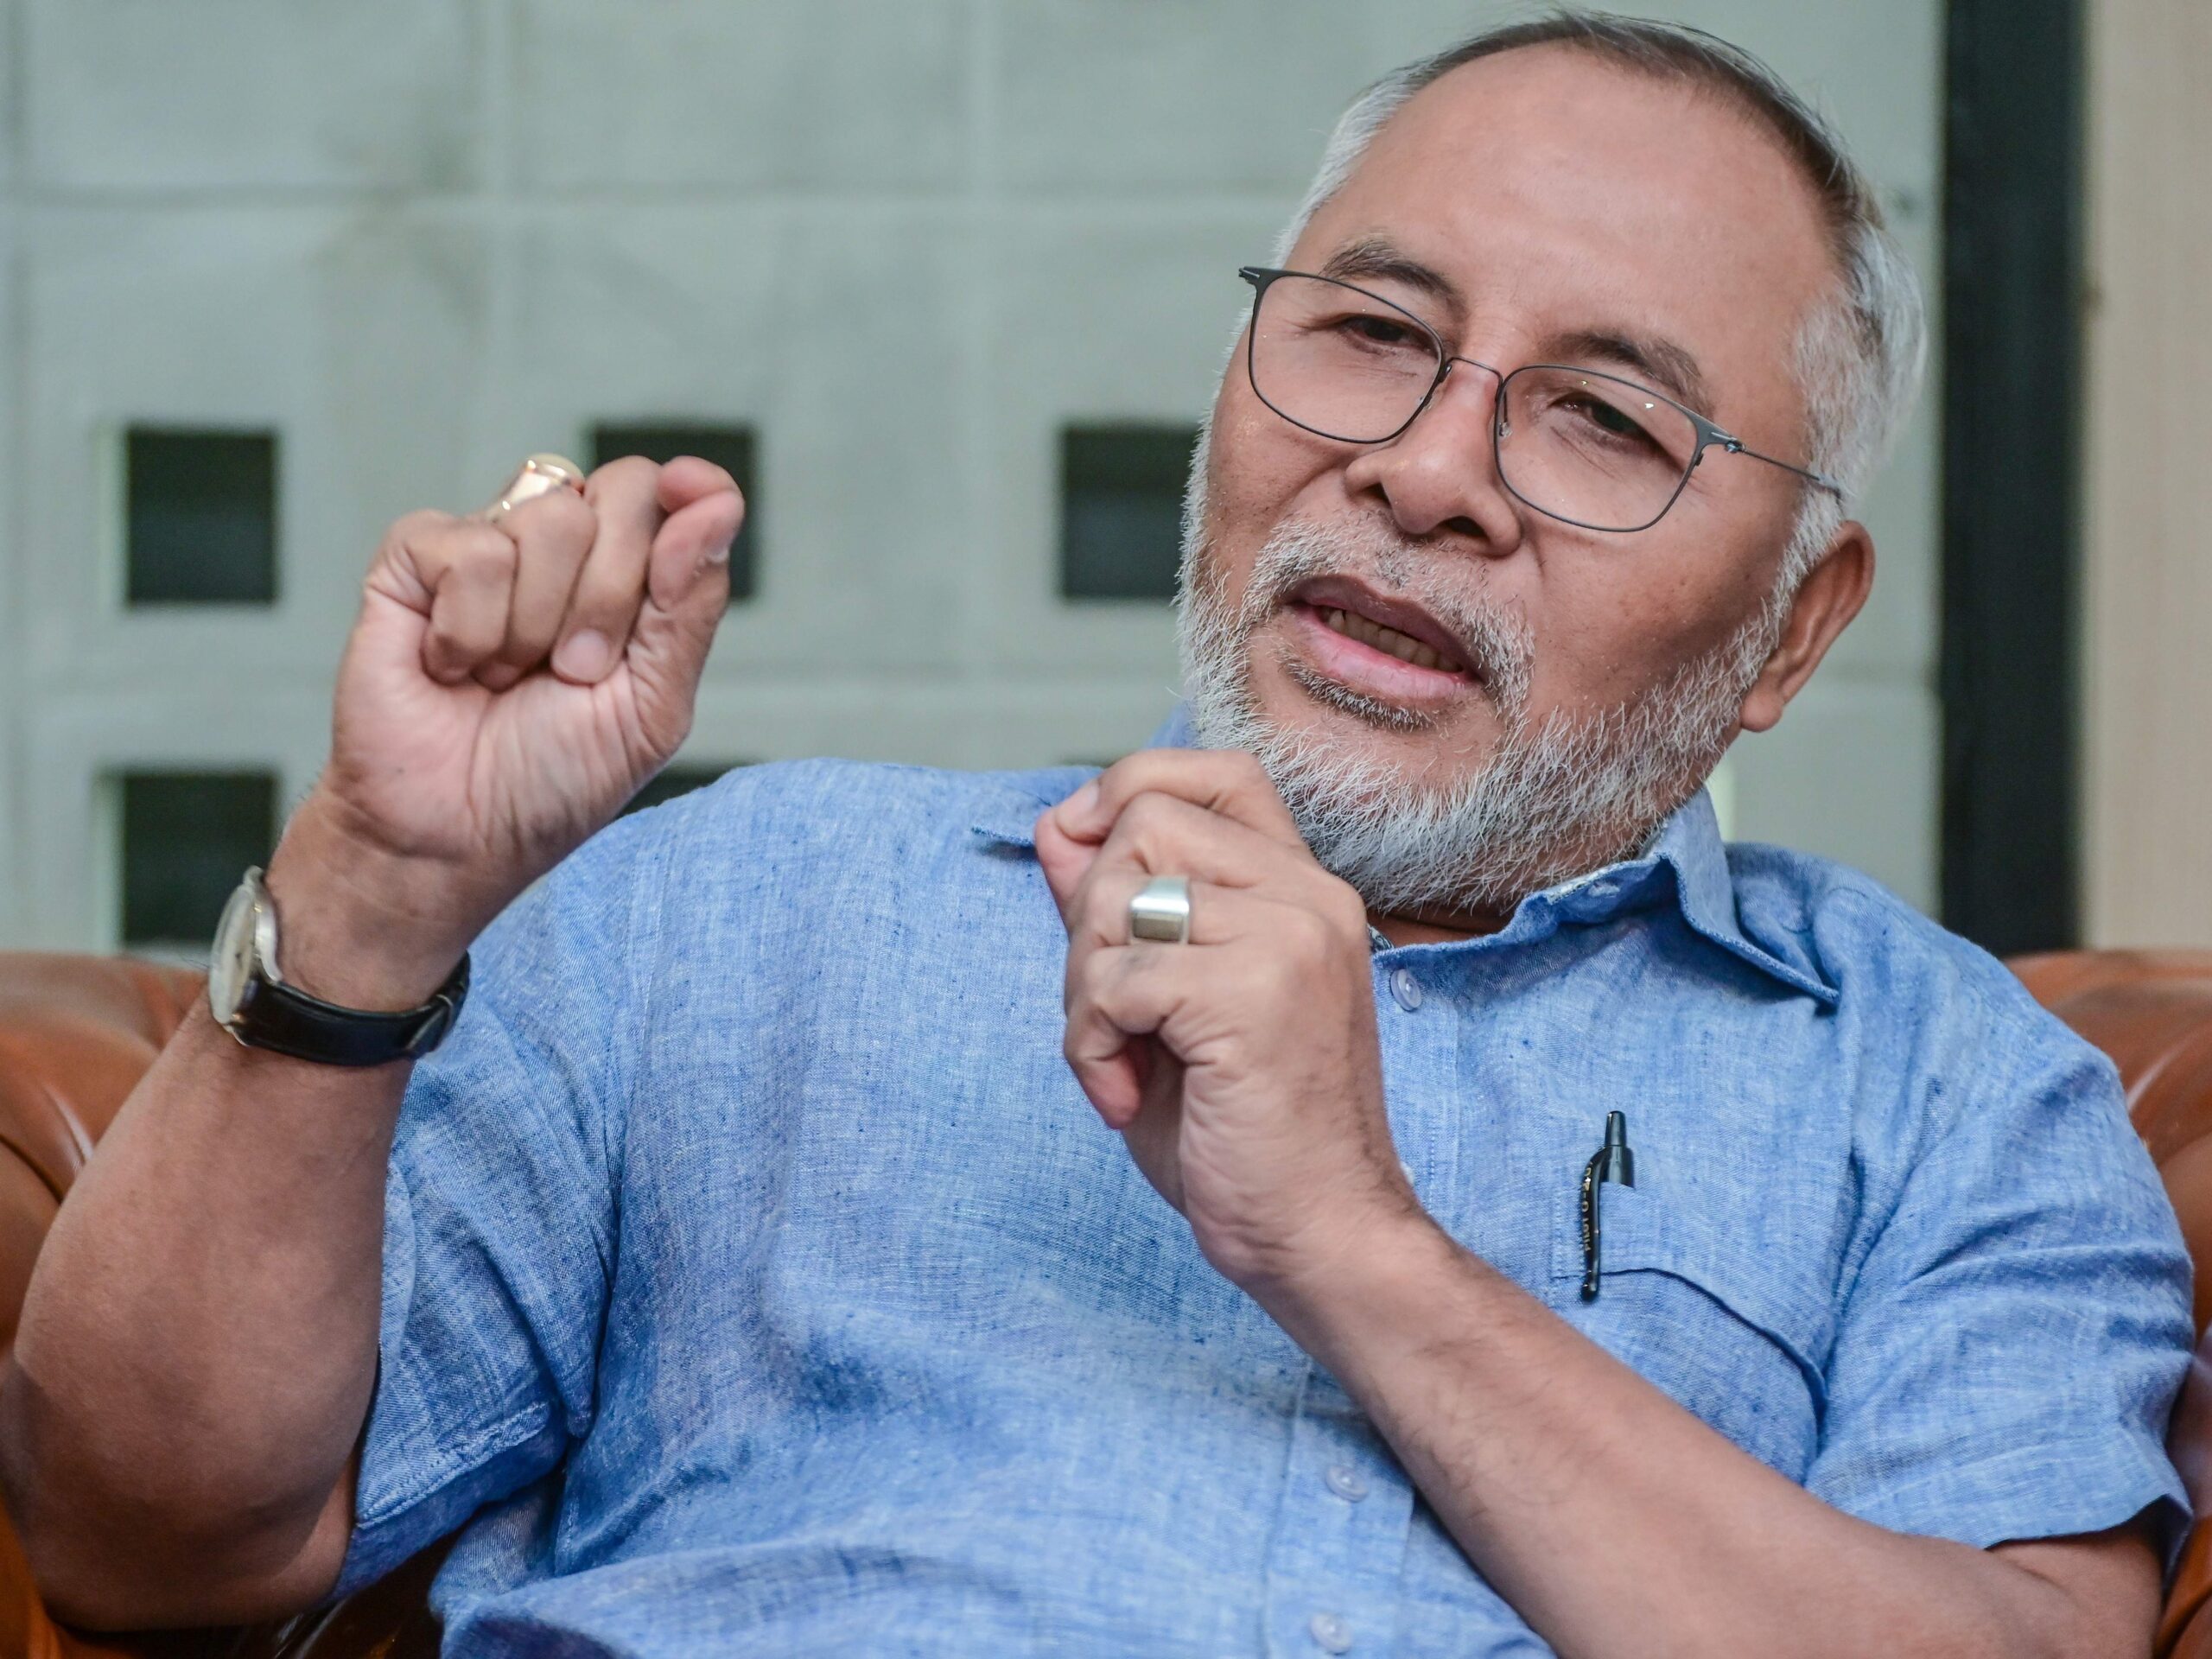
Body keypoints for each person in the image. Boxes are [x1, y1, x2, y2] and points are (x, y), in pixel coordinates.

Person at [0, 14, 2190, 1658]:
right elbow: (138, 1545)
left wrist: (1351, 1247)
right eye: (1372, 333)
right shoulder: (728, 909)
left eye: (1604, 420)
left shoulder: (1943, 1091)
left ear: (1792, 622)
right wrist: (373, 895)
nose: (1427, 473)